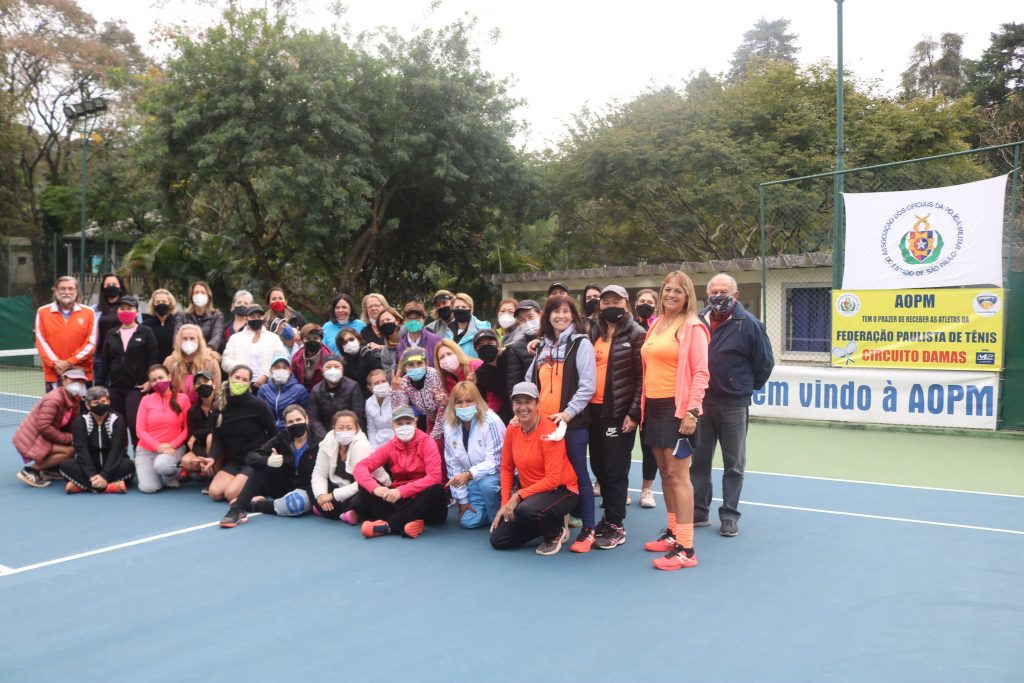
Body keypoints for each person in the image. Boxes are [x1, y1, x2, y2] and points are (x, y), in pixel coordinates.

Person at [692, 273, 774, 537]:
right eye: (714, 292)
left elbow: (764, 363)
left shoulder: (750, 324)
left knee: (734, 464)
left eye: (724, 292)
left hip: (733, 405)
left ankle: (729, 514)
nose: (718, 296)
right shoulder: (697, 321)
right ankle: (699, 511)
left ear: (735, 295)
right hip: (701, 404)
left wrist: (741, 388)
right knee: (699, 461)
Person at [640, 271, 709, 570]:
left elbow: (701, 372)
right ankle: (672, 534)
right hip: (653, 408)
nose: (671, 294)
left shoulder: (693, 326)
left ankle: (686, 549)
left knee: (679, 476)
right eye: (667, 289)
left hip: (677, 409)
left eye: (678, 291)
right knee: (666, 473)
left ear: (687, 296)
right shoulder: (656, 324)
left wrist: (692, 412)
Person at [524, 294, 597, 553]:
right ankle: (558, 527)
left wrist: (567, 413)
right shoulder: (542, 346)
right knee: (552, 479)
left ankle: (588, 529)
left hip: (571, 424)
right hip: (544, 425)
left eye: (566, 311)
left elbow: (588, 386)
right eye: (555, 311)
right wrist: (528, 412)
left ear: (573, 315)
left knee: (579, 476)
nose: (561, 316)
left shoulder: (581, 344)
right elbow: (530, 381)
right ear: (548, 316)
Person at [489, 382, 579, 555]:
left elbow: (553, 480)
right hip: (531, 496)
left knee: (527, 510)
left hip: (562, 490)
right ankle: (548, 522)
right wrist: (504, 503)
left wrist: (517, 496)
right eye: (518, 402)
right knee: (499, 539)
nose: (523, 407)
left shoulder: (550, 431)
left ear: (538, 403)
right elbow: (506, 467)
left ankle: (554, 532)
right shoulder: (512, 428)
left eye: (528, 402)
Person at [588, 285, 646, 549]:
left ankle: (615, 524)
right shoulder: (593, 331)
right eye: (606, 301)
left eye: (616, 301)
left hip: (618, 412)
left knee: (615, 469)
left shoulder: (637, 334)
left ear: (627, 305)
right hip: (591, 411)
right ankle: (607, 518)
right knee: (598, 467)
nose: (611, 306)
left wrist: (633, 413)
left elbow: (642, 379)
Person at [353, 405, 448, 539]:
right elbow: (360, 467)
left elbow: (434, 477)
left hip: (425, 504)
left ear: (415, 422)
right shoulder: (390, 446)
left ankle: (388, 527)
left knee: (437, 489)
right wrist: (376, 489)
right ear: (393, 426)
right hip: (401, 502)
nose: (404, 426)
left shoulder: (427, 442)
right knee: (364, 485)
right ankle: (407, 523)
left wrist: (401, 491)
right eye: (399, 423)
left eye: (408, 423)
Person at [219, 404, 317, 528]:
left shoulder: (319, 442)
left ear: (306, 419)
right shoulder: (282, 438)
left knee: (295, 504)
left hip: (307, 490)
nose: (295, 424)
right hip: (282, 486)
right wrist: (268, 460)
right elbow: (251, 456)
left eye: (298, 420)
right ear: (286, 425)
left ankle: (254, 505)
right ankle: (238, 509)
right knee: (262, 463)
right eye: (290, 422)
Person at [208, 365, 277, 503]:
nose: (240, 382)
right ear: (229, 378)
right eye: (237, 378)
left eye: (244, 380)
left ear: (249, 383)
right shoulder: (218, 406)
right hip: (235, 461)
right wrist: (212, 458)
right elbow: (217, 439)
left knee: (230, 494)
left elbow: (274, 433)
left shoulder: (258, 405)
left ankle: (262, 485)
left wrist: (266, 456)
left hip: (255, 460)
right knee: (215, 493)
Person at [96, 295, 158, 448]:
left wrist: (150, 381)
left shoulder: (146, 332)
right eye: (122, 308)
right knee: (117, 427)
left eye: (129, 308)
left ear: (137, 311)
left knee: (134, 423)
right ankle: (120, 457)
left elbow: (153, 360)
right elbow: (105, 362)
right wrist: (98, 387)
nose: (125, 311)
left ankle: (139, 455)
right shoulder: (111, 333)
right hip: (114, 388)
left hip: (137, 388)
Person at [310, 410, 391, 524]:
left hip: (369, 488)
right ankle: (337, 509)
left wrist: (332, 496)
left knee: (359, 498)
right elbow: (319, 473)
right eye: (340, 428)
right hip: (342, 487)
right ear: (333, 429)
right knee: (314, 490)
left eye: (349, 428)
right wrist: (321, 495)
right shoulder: (327, 442)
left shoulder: (362, 445)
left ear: (356, 428)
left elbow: (363, 482)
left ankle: (339, 511)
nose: (345, 432)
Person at [443, 381, 504, 529]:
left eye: (469, 401)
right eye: (459, 402)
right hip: (472, 480)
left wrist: (469, 474)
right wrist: (462, 500)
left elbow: (496, 462)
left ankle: (499, 518)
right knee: (468, 521)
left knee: (487, 485)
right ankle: (491, 511)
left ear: (477, 401)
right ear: (453, 404)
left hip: (496, 476)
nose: (464, 406)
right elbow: (452, 465)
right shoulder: (449, 425)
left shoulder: (491, 421)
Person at [13, 366, 85, 487]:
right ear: (64, 379)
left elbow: (73, 423)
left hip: (44, 436)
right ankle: (30, 470)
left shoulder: (75, 398)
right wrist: (68, 438)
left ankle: (50, 470)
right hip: (32, 438)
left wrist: (78, 436)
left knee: (76, 444)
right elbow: (44, 427)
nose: (77, 384)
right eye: (74, 380)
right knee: (69, 450)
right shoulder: (54, 399)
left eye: (80, 381)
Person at [60, 386, 134, 494]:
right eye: (95, 403)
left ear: (109, 401)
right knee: (65, 466)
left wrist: (105, 475)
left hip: (112, 466)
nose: (101, 405)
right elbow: (82, 450)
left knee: (129, 466)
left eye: (103, 401)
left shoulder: (118, 420)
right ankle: (109, 487)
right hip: (89, 467)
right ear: (87, 405)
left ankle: (83, 486)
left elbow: (117, 449)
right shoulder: (80, 422)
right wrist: (91, 474)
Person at [135, 364, 191, 493]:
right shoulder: (145, 400)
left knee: (163, 465)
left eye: (161, 377)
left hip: (173, 449)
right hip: (146, 450)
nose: (158, 382)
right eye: (154, 380)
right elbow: (140, 430)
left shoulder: (183, 399)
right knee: (148, 488)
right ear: (150, 383)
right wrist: (158, 447)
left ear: (169, 377)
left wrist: (171, 445)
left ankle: (169, 475)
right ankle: (149, 469)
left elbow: (187, 429)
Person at [35, 276, 97, 392]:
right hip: (54, 374)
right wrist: (57, 365)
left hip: (82, 374)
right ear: (55, 291)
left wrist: (69, 362)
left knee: (82, 405)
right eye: (62, 288)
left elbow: (91, 343)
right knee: (54, 405)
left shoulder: (89, 312)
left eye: (70, 288)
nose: (66, 292)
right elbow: (41, 342)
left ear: (76, 291)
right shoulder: (42, 312)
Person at [633, 288, 660, 508]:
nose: (645, 304)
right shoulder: (627, 326)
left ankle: (647, 490)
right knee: (619, 447)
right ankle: (613, 487)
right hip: (628, 394)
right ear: (635, 304)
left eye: (650, 302)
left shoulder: (660, 329)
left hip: (650, 396)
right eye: (642, 301)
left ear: (656, 306)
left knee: (649, 446)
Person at [220, 303, 287, 387]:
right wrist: (241, 372)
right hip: (241, 385)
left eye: (259, 316)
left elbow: (281, 359)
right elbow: (226, 361)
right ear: (246, 319)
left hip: (268, 386)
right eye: (253, 316)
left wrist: (267, 375)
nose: (256, 319)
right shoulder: (235, 338)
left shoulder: (273, 338)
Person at [390, 347, 447, 441]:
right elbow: (401, 411)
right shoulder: (404, 382)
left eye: (419, 363)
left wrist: (434, 435)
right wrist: (395, 392)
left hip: (446, 417)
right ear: (405, 368)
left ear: (426, 364)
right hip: (430, 419)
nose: (415, 368)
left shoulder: (434, 375)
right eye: (410, 365)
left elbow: (443, 407)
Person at [307, 354, 365, 439]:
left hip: (350, 434)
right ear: (322, 371)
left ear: (342, 369)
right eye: (328, 367)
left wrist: (346, 433)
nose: (333, 369)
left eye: (337, 366)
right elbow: (313, 418)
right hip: (326, 437)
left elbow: (358, 414)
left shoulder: (353, 387)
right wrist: (327, 437)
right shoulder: (316, 390)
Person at [165, 323, 222, 404]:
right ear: (179, 341)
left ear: (199, 340)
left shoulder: (211, 362)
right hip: (176, 405)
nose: (188, 341)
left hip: (202, 406)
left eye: (192, 338)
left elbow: (216, 390)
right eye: (185, 339)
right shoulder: (170, 361)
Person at [93, 273, 131, 382]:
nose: (111, 286)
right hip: (100, 357)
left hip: (122, 356)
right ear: (103, 288)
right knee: (100, 388)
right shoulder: (94, 309)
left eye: (114, 284)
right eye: (108, 284)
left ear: (120, 287)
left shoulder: (130, 308)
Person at [181, 370, 217, 483]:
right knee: (186, 461)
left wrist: (198, 433)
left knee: (211, 437)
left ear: (214, 385)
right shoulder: (192, 411)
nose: (203, 385)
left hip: (221, 447)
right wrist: (203, 457)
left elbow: (219, 431)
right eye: (198, 383)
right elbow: (191, 440)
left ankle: (214, 476)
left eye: (206, 381)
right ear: (195, 389)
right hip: (203, 448)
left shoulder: (221, 405)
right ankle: (208, 469)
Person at [258, 354, 310, 430]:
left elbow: (305, 414)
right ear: (270, 371)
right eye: (277, 367)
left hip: (290, 430)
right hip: (268, 430)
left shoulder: (300, 390)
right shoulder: (263, 389)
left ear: (290, 371)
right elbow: (259, 413)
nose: (281, 370)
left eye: (285, 368)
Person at [472, 329, 510, 422]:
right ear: (476, 350)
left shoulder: (509, 356)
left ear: (497, 344)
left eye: (490, 343)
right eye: (481, 345)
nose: (486, 347)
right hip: (507, 412)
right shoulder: (480, 373)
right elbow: (481, 401)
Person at [504, 299, 542, 392]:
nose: (527, 322)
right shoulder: (516, 348)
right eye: (522, 320)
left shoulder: (553, 340)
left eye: (530, 317)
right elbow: (513, 383)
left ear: (540, 315)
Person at [176, 280, 224, 352]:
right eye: (196, 292)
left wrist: (208, 349)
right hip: (186, 353)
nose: (199, 295)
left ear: (208, 296)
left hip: (208, 353)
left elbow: (217, 335)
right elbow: (177, 335)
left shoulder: (216, 315)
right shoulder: (182, 315)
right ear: (191, 297)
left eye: (203, 292)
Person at [337, 328, 382, 398]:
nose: (349, 343)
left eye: (351, 339)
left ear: (358, 339)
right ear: (342, 347)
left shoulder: (368, 354)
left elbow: (377, 375)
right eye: (345, 342)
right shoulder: (344, 363)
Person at [395, 301, 441, 368]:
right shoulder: (400, 345)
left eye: (417, 318)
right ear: (404, 321)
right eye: (410, 318)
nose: (413, 321)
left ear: (423, 319)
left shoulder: (435, 340)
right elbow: (397, 367)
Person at [445, 292, 491, 359]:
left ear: (471, 310)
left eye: (464, 307)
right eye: (457, 307)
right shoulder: (448, 331)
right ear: (452, 310)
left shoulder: (482, 329)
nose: (460, 309)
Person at [142, 289, 181, 363]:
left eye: (164, 302)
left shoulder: (178, 324)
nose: (161, 304)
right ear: (153, 304)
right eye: (158, 302)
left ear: (170, 304)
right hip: (152, 366)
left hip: (174, 364)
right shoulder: (145, 325)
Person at [291, 323, 330, 391]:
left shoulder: (329, 358)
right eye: (308, 339)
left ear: (321, 339)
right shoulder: (296, 358)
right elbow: (292, 377)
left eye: (315, 338)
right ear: (302, 340)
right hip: (301, 392)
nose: (312, 341)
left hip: (322, 392)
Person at [364, 369, 394, 448]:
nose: (381, 384)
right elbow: (371, 429)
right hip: (378, 444)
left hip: (396, 442)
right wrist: (374, 448)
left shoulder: (395, 396)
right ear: (370, 387)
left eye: (383, 381)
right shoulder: (369, 403)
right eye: (376, 383)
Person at [375, 306, 403, 378]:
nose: (385, 323)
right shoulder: (385, 352)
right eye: (382, 322)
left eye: (388, 319)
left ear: (397, 321)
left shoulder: (411, 335)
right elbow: (388, 377)